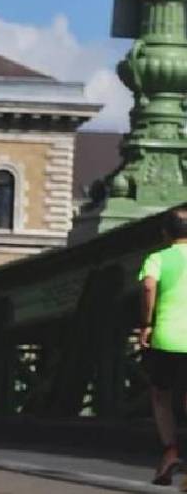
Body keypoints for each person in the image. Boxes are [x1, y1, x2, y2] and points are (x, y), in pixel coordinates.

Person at [139, 207, 187, 485]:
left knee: (161, 395)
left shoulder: (156, 258)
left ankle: (170, 452)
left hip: (167, 336)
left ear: (165, 233)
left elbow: (148, 288)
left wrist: (146, 323)